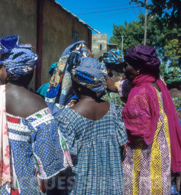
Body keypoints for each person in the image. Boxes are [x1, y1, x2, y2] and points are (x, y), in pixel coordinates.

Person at [0, 35, 72, 195]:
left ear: (7, 70)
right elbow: (50, 163)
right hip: (23, 186)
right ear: (31, 72)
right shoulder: (40, 108)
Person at [52, 55, 127, 194]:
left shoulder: (68, 117)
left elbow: (64, 160)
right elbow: (122, 145)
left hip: (81, 185)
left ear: (78, 87)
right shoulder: (114, 110)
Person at [122, 45, 181, 194]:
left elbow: (136, 134)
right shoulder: (157, 84)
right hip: (162, 156)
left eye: (126, 65)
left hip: (146, 158)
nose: (124, 69)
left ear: (138, 68)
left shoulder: (140, 92)